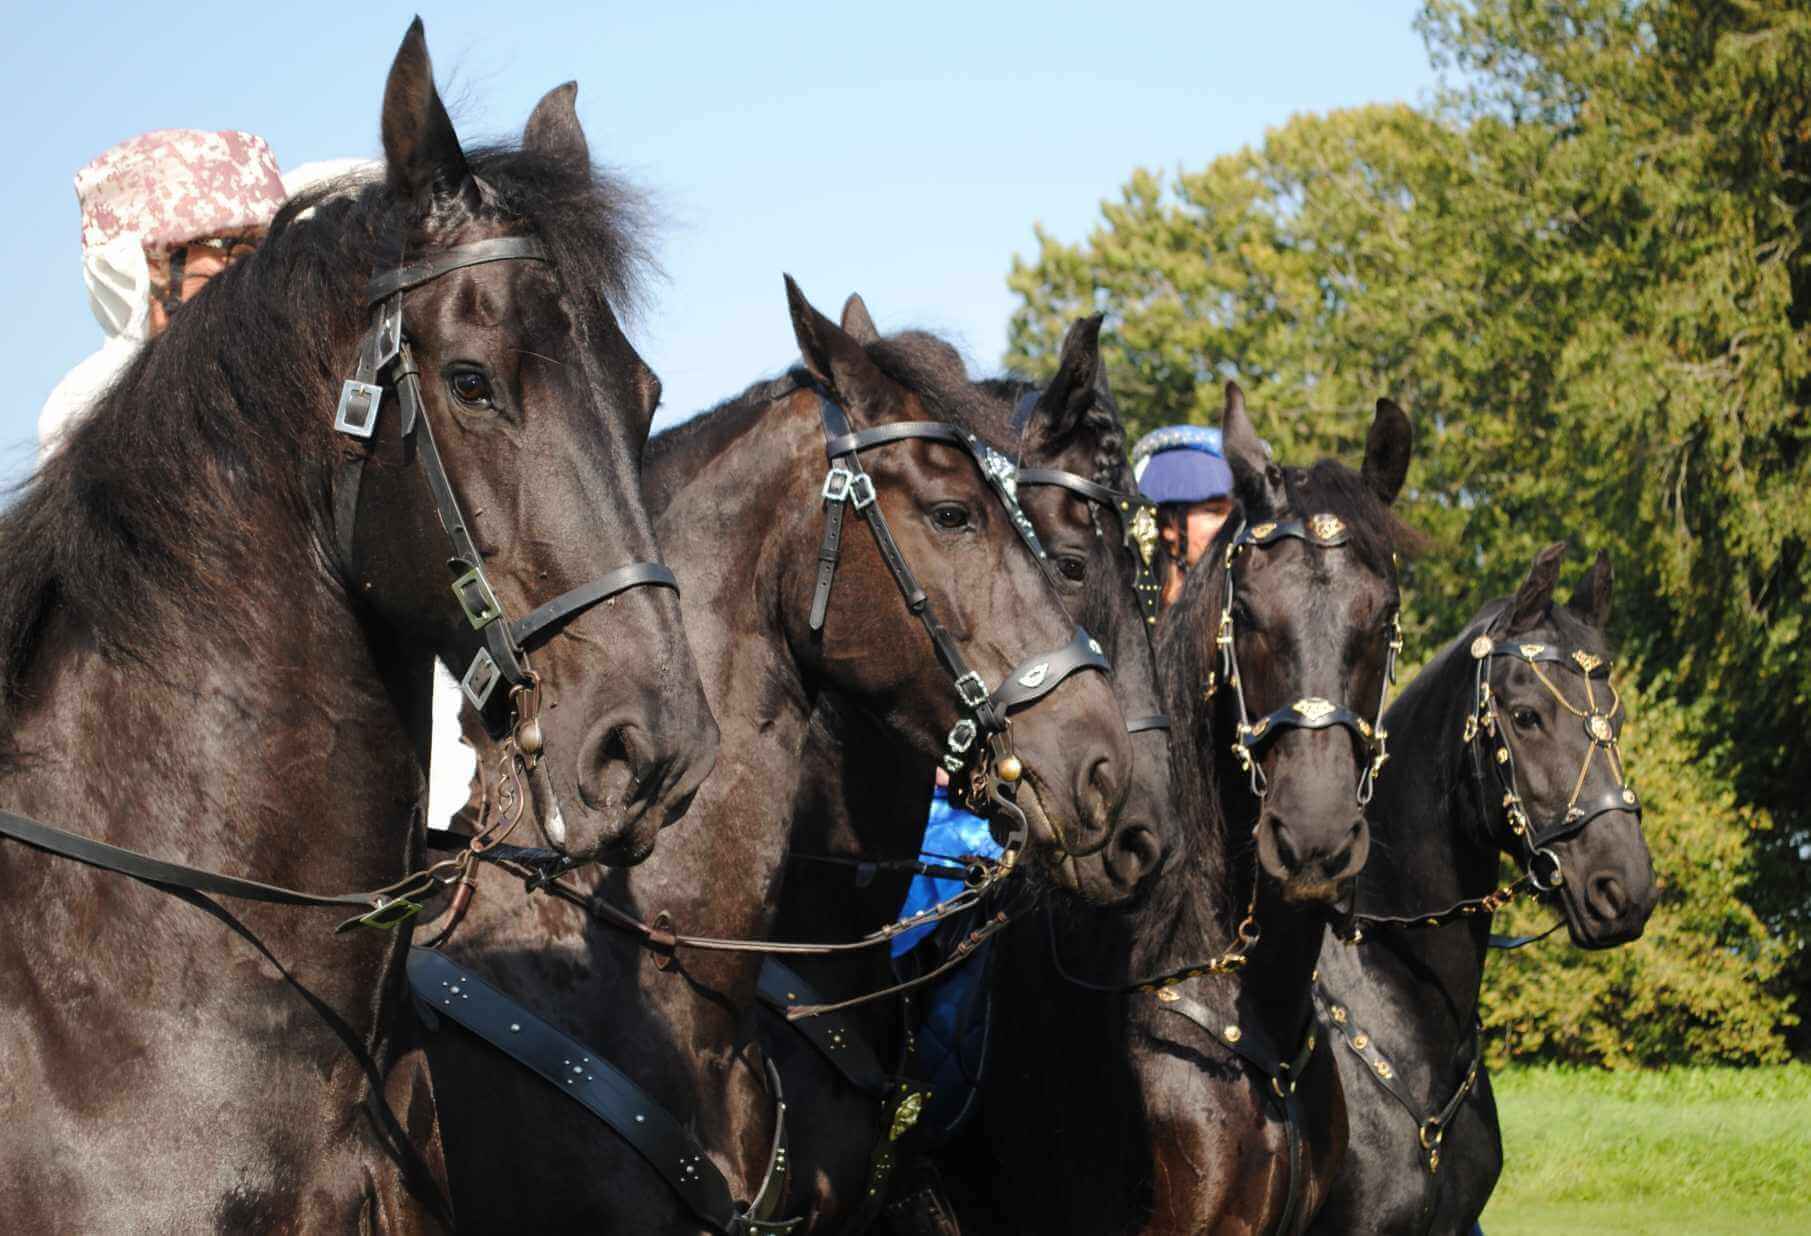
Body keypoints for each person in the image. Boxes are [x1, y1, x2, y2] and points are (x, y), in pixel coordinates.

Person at [37, 129, 287, 459]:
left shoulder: (284, 378)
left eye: (262, 244)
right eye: (222, 246)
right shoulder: (86, 409)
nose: (251, 268)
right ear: (143, 268)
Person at [1130, 424, 1237, 611]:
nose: (1231, 525)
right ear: (1167, 524)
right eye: (1214, 511)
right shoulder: (1122, 614)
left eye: (1236, 513)